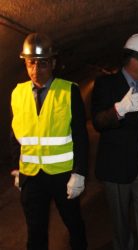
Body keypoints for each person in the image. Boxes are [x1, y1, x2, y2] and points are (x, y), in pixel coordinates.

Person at [9, 33, 88, 250]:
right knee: (35, 232)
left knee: (74, 225)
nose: (35, 70)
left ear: (53, 63)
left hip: (62, 175)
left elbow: (80, 135)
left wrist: (79, 173)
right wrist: (17, 168)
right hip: (31, 176)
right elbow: (15, 134)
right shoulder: (18, 93)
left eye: (42, 64)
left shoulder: (68, 90)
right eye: (30, 63)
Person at [91, 33, 138, 250]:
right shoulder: (105, 84)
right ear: (134, 60)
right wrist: (119, 110)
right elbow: (98, 121)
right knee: (121, 223)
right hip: (117, 164)